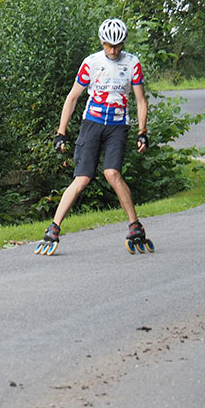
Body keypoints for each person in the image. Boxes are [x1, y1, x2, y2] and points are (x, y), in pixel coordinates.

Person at [35, 18, 151, 256]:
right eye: (109, 45)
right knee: (82, 178)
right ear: (101, 41)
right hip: (92, 123)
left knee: (112, 173)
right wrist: (61, 132)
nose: (113, 50)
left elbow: (140, 100)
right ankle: (53, 228)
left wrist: (142, 131)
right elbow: (72, 98)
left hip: (118, 125)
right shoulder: (91, 63)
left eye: (118, 45)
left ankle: (135, 226)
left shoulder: (132, 63)